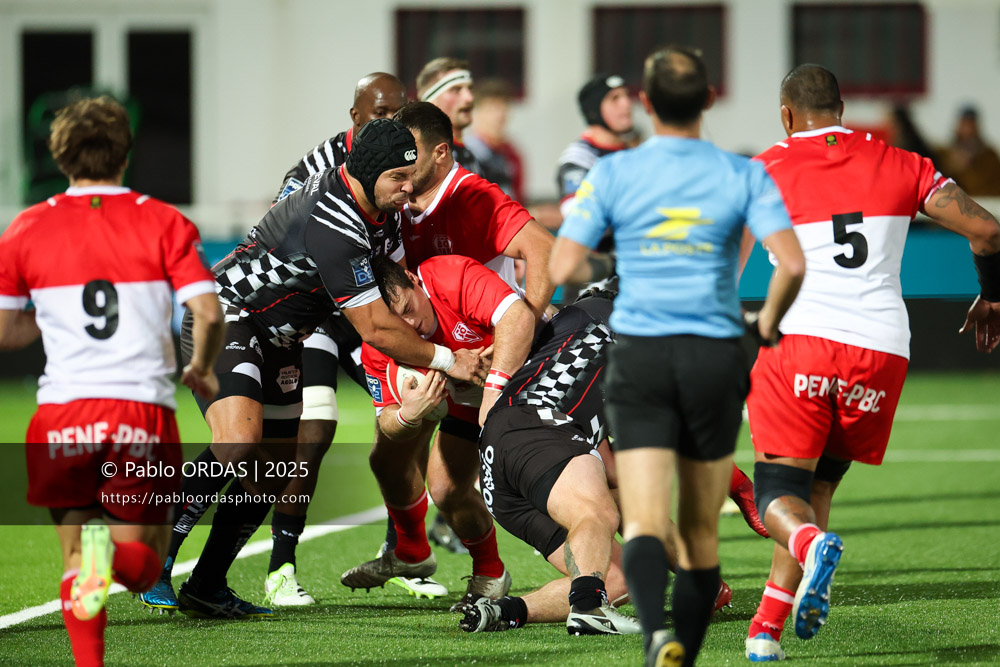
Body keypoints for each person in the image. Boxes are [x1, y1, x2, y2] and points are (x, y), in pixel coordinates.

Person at [147, 118, 486, 620]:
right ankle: (153, 550)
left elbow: (390, 298)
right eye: (400, 177)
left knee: (272, 473)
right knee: (239, 439)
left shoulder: (380, 206)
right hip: (229, 314)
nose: (409, 187)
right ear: (371, 172)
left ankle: (207, 585)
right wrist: (446, 359)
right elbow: (373, 326)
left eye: (411, 175)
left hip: (282, 337)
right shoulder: (334, 220)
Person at [549, 46, 806, 667]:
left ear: (645, 104)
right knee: (697, 531)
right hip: (714, 357)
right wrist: (765, 325)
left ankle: (654, 639)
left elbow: (563, 263)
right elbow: (792, 263)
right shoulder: (744, 173)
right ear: (710, 99)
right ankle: (685, 652)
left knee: (641, 521)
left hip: (639, 359)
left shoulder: (613, 174)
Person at [741, 64, 1000, 663]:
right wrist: (992, 297)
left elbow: (731, 255)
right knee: (820, 482)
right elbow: (987, 231)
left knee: (779, 488)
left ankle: (809, 544)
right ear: (840, 108)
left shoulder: (766, 169)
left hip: (801, 341)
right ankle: (766, 632)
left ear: (786, 115)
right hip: (882, 352)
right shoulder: (903, 163)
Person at [0, 96, 224, 667]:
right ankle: (108, 564)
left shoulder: (25, 227)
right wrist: (199, 368)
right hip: (137, 415)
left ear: (58, 153)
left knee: (79, 561)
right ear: (126, 152)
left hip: (60, 416)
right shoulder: (164, 220)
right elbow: (210, 310)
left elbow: (7, 332)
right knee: (144, 564)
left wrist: (47, 320)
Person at [357, 100, 559, 589]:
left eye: (411, 151)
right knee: (391, 454)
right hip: (441, 362)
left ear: (442, 154)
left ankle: (628, 565)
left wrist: (522, 324)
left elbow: (545, 251)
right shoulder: (399, 204)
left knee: (555, 479)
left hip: (489, 364)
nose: (400, 160)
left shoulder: (472, 197)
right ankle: (410, 551)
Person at [458, 289, 736, 636]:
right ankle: (589, 610)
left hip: (500, 476)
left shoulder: (587, 395)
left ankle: (506, 610)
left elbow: (621, 483)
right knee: (599, 512)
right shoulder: (607, 317)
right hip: (532, 425)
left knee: (617, 578)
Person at [261, 72, 407, 607]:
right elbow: (290, 236)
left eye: (398, 113)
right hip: (325, 313)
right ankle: (281, 566)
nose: (389, 124)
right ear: (355, 118)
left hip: (373, 311)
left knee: (405, 423)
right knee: (314, 431)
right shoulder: (318, 166)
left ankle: (403, 553)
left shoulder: (406, 165)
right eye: (379, 114)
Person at [341, 255, 535, 608]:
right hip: (466, 407)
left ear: (413, 279)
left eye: (408, 308)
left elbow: (519, 317)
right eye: (395, 321)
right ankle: (488, 573)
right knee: (442, 488)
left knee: (558, 484)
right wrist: (407, 416)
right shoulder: (381, 342)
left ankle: (631, 560)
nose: (409, 325)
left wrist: (494, 387)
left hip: (526, 380)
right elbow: (387, 420)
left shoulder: (451, 276)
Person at [416, 57, 483, 176]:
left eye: (470, 88)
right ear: (431, 101)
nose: (469, 98)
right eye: (456, 90)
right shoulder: (429, 159)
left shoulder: (468, 154)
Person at [464, 79, 525, 203]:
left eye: (503, 107)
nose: (498, 115)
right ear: (476, 113)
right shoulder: (464, 153)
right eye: (491, 109)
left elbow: (518, 199)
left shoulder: (512, 154)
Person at [936, 105, 1000, 197]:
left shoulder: (990, 156)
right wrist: (953, 167)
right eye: (964, 125)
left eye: (971, 125)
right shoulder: (943, 154)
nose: (967, 131)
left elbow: (993, 190)